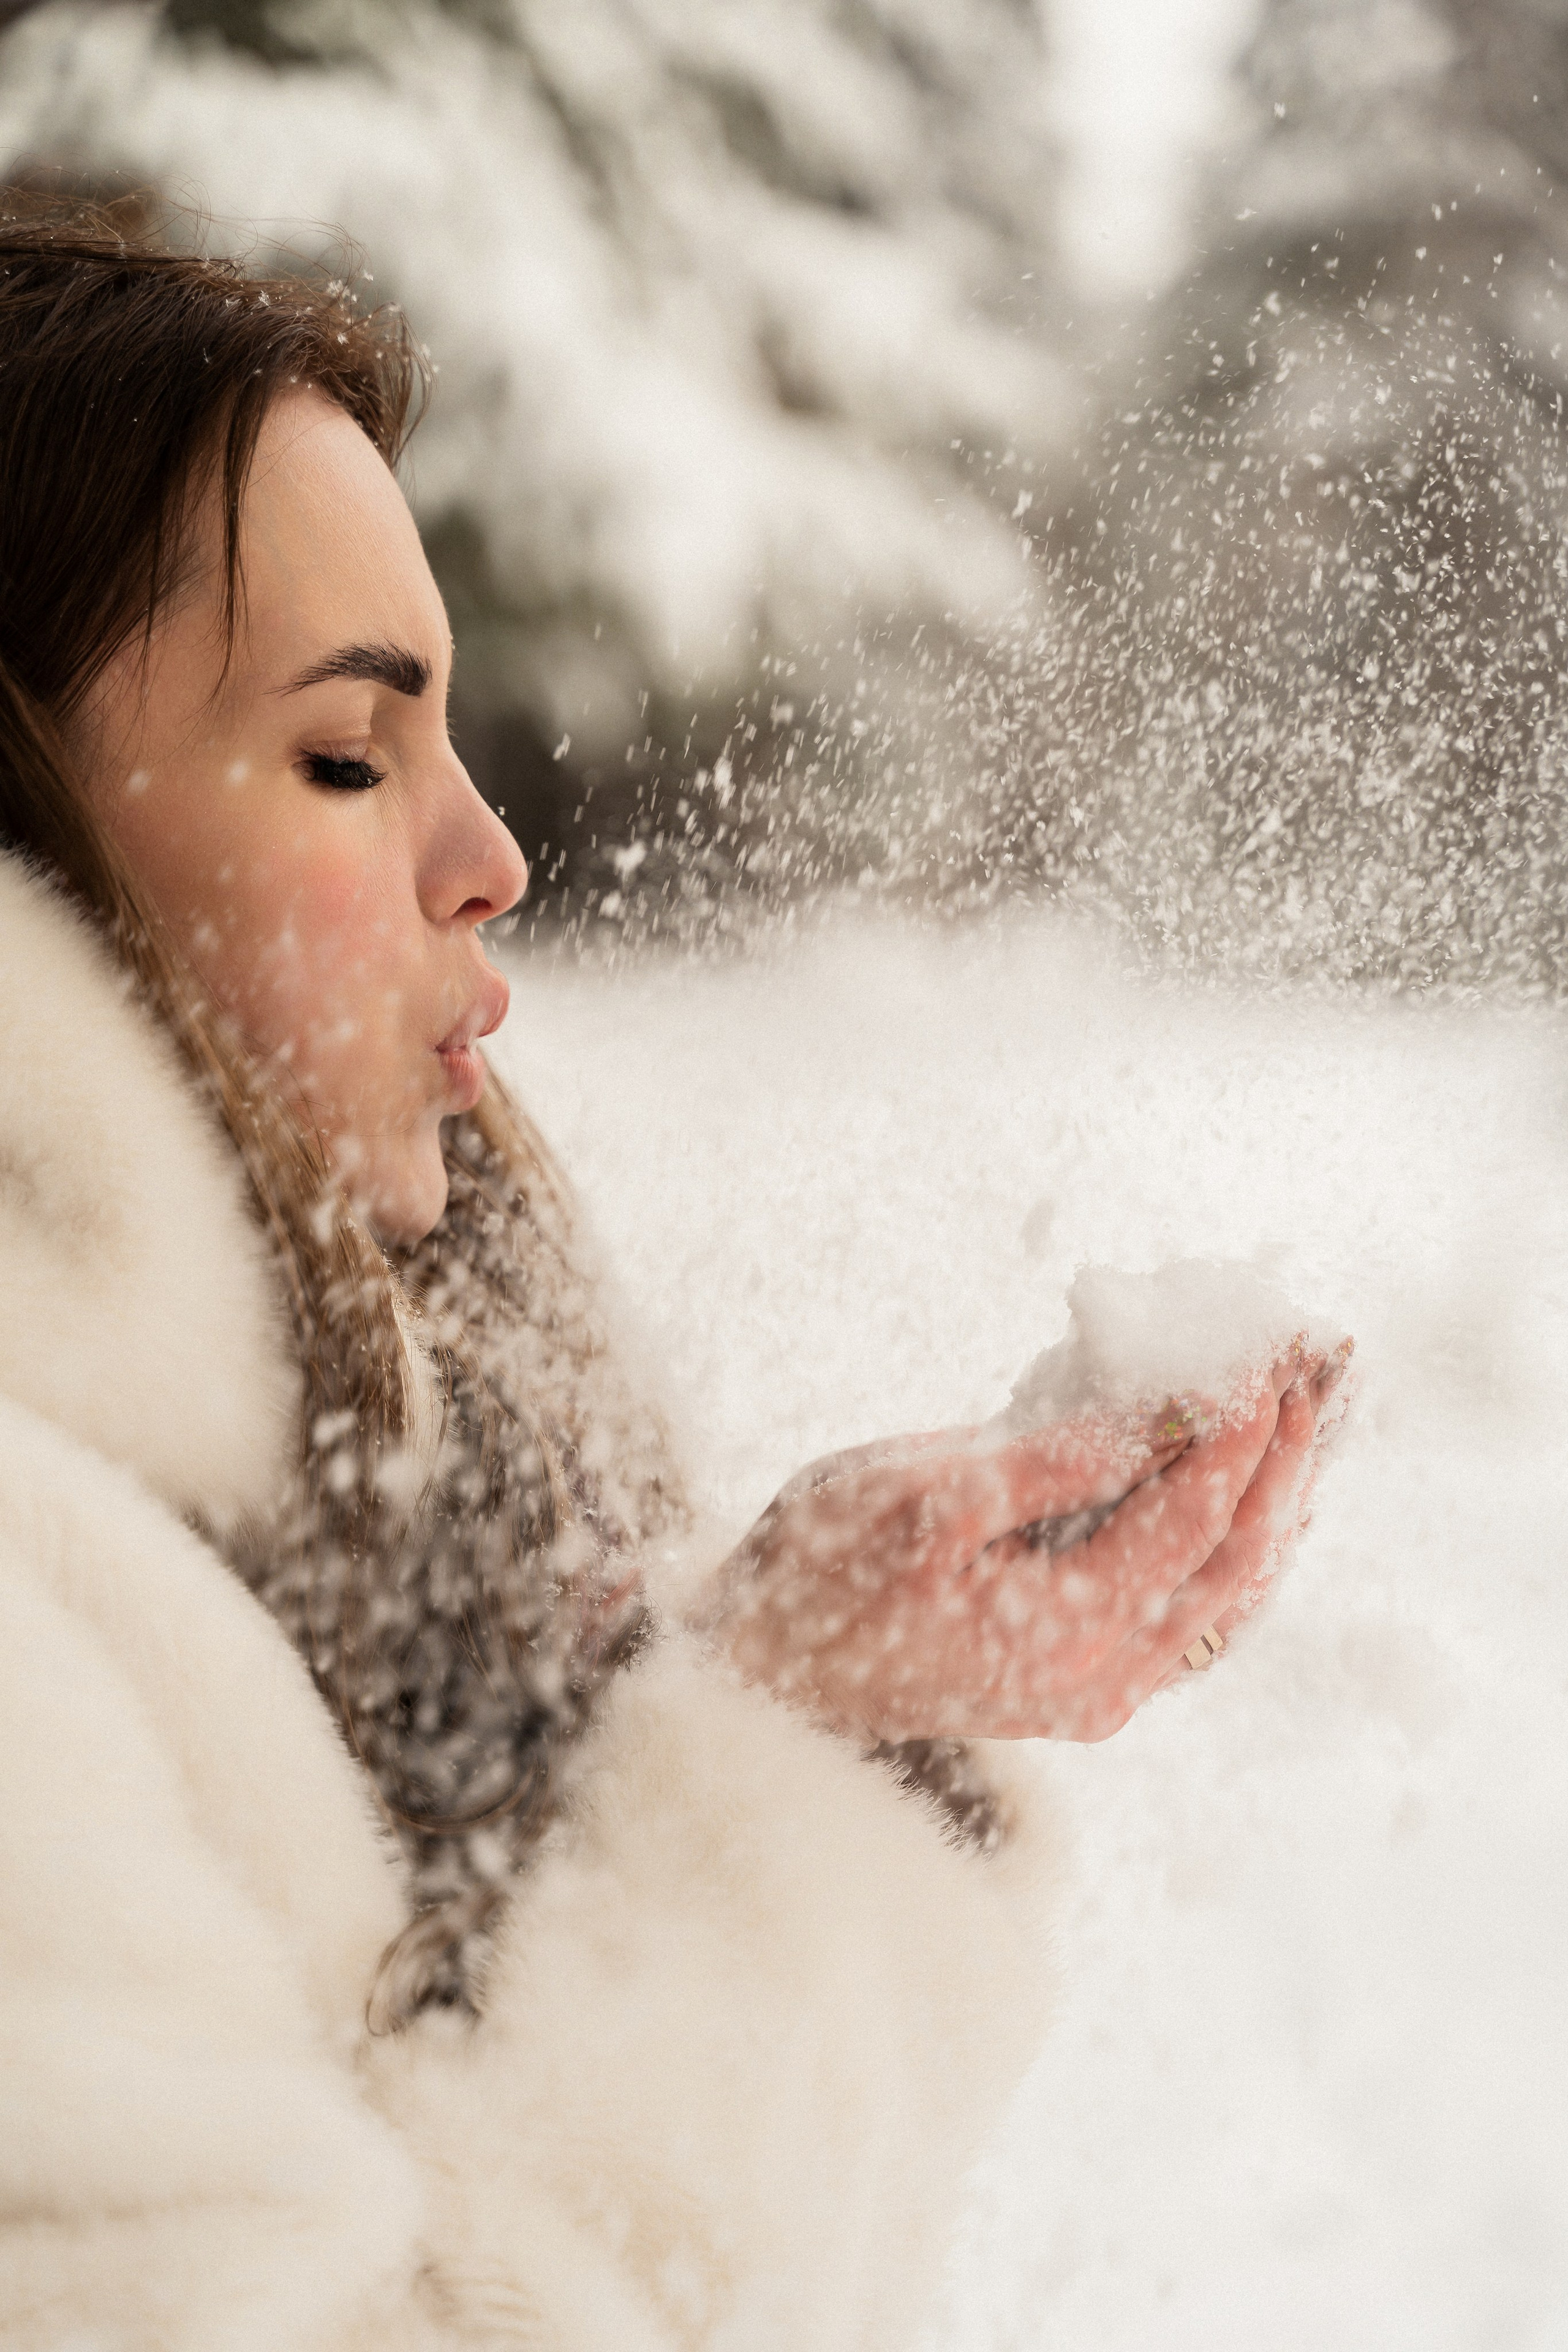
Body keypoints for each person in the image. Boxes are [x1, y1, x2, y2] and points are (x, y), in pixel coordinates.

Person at [0, 205, 1343, 2352]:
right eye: (347, 754)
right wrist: (764, 1753)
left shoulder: (330, 1516)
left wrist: (782, 1685)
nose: (491, 855)